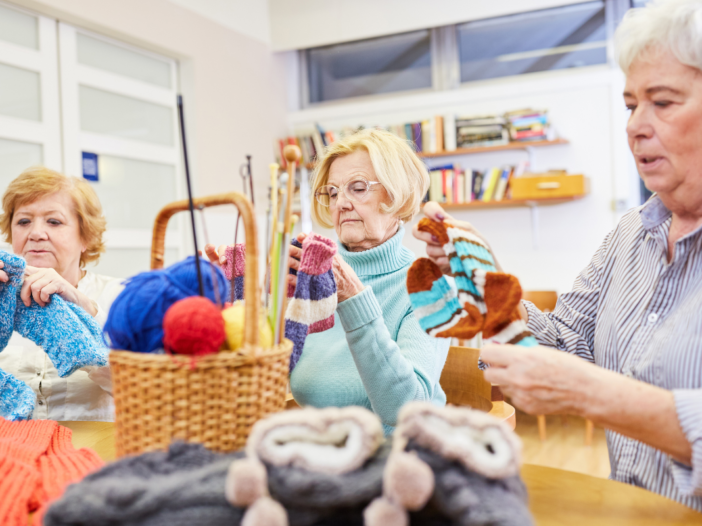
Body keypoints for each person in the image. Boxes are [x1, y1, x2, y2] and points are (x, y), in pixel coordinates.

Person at [414, 0, 702, 511]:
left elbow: (580, 380)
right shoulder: (628, 236)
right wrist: (481, 277)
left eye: (662, 102)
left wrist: (593, 395)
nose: (636, 125)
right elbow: (562, 342)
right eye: (631, 104)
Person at [209, 129, 446, 433]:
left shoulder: (430, 285)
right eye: (333, 193)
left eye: (358, 188)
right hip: (319, 452)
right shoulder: (311, 277)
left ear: (399, 196)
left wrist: (354, 299)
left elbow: (406, 410)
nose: (341, 204)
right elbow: (258, 378)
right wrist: (259, 297)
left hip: (399, 460)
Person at [0, 167, 122, 421]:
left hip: (99, 452)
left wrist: (81, 308)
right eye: (23, 221)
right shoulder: (4, 301)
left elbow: (149, 389)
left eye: (54, 221)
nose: (35, 233)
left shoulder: (120, 297)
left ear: (85, 236)